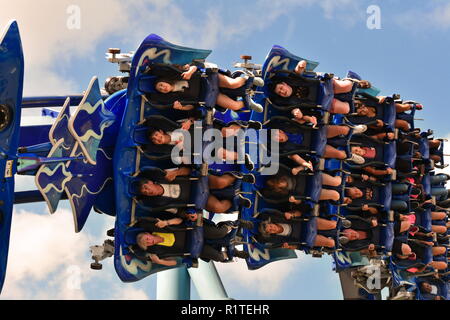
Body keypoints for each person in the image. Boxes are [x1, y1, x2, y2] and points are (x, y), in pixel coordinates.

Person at [134, 216, 252, 266]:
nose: (149, 241)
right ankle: (234, 252)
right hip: (194, 247)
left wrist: (167, 222)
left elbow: (179, 220)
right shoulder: (157, 251)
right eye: (147, 244)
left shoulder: (157, 226)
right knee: (220, 257)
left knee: (220, 233)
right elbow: (174, 263)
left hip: (194, 231)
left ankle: (234, 224)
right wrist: (160, 262)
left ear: (148, 234)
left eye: (147, 239)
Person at [268, 60, 371, 114]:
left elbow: (298, 70)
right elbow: (295, 111)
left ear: (285, 84)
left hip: (325, 87)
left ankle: (353, 82)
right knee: (346, 109)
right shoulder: (288, 103)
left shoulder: (292, 79)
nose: (282, 92)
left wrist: (301, 65)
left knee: (347, 87)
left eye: (281, 88)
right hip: (322, 101)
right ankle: (357, 107)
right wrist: (298, 114)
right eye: (279, 93)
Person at [152, 63, 265, 112]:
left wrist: (190, 71)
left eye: (161, 85)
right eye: (161, 90)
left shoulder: (177, 74)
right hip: (208, 96)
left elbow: (195, 66)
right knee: (234, 106)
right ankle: (250, 103)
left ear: (164, 81)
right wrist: (181, 108)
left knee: (233, 84)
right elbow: (192, 107)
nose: (163, 88)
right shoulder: (175, 98)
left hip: (209, 80)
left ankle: (249, 78)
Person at [138, 166, 254, 213]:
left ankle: (240, 177)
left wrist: (176, 172)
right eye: (146, 193)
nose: (148, 191)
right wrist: (189, 215)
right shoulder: (161, 203)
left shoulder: (163, 175)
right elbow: (178, 212)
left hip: (198, 181)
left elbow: (187, 170)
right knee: (217, 208)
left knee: (220, 182)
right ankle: (237, 201)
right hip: (196, 198)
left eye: (146, 188)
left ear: (150, 182)